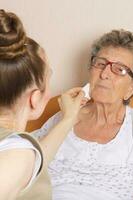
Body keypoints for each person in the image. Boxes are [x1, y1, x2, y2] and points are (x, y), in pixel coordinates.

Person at [35, 29, 133, 200]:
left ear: (132, 88)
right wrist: (67, 119)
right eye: (100, 64)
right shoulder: (63, 118)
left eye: (119, 70)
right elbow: (27, 171)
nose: (104, 74)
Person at [0, 10, 86, 200]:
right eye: (49, 77)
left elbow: (32, 165)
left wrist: (69, 118)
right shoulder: (18, 156)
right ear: (35, 98)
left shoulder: (19, 151)